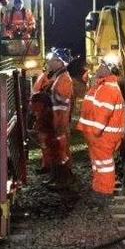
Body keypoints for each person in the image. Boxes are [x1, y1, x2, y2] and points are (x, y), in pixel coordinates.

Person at [77, 58, 125, 195]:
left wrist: (96, 131)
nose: (99, 67)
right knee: (99, 163)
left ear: (108, 69)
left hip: (103, 136)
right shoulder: (103, 85)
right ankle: (99, 187)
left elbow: (103, 112)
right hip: (99, 135)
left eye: (102, 65)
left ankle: (105, 190)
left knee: (104, 164)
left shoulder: (107, 88)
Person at [31, 47, 74, 186]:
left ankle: (62, 180)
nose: (50, 62)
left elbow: (61, 102)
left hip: (59, 121)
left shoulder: (64, 79)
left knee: (60, 152)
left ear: (61, 63)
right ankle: (56, 178)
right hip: (55, 120)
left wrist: (46, 98)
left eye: (54, 60)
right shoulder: (59, 77)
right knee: (56, 151)